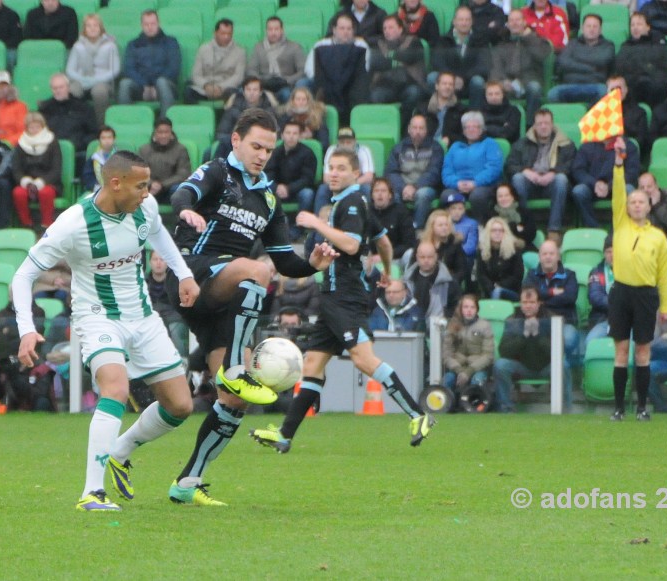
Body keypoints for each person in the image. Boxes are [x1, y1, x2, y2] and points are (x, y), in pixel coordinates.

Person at [165, 108, 338, 503]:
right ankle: (237, 369)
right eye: (256, 146)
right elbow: (182, 193)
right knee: (255, 271)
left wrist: (311, 264)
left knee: (234, 400)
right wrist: (186, 210)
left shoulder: (268, 200)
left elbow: (285, 262)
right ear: (236, 142)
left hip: (225, 298)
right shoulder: (216, 172)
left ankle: (187, 483)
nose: (262, 154)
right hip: (191, 274)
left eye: (269, 149)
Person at [13, 150, 201, 511]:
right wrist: (26, 328)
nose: (147, 193)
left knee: (180, 405)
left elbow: (159, 237)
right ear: (116, 183)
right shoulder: (74, 223)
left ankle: (119, 450)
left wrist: (185, 275)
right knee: (116, 387)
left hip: (143, 318)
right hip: (98, 317)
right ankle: (92, 492)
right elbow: (24, 274)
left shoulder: (143, 208)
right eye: (141, 185)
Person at [250, 148, 434, 453]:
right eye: (330, 167)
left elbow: (350, 244)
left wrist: (316, 223)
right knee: (312, 363)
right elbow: (383, 241)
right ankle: (284, 435)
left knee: (364, 359)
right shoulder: (356, 203)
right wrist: (387, 271)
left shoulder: (350, 202)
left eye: (340, 168)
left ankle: (418, 413)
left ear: (355, 173)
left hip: (345, 295)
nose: (333, 173)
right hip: (333, 296)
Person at [607, 137, 667, 421]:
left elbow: (663, 275)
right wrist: (619, 165)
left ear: (648, 206)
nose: (634, 205)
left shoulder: (659, 238)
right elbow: (618, 192)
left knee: (642, 351)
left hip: (646, 295)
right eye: (631, 202)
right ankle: (619, 408)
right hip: (621, 293)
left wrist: (665, 307)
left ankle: (642, 407)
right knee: (621, 351)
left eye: (640, 202)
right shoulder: (620, 223)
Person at [505, 108, 575, 243]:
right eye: (539, 124)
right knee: (518, 178)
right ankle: (522, 224)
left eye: (547, 123)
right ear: (534, 126)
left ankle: (554, 230)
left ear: (552, 124)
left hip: (552, 183)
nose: (543, 126)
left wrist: (553, 173)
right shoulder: (521, 143)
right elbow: (510, 165)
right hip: (530, 182)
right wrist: (526, 171)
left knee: (561, 179)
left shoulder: (566, 143)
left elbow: (570, 165)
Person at [492, 286, 561, 412]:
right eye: (525, 302)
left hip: (546, 366)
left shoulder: (551, 319)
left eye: (532, 302)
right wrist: (523, 336)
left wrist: (537, 336)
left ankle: (565, 408)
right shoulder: (512, 320)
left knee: (564, 365)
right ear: (520, 303)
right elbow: (504, 351)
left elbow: (557, 352)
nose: (528, 306)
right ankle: (506, 408)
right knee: (500, 365)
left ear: (539, 303)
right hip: (521, 366)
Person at [305, 13, 370, 126]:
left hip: (351, 86)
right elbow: (310, 69)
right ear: (334, 30)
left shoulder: (361, 45)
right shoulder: (321, 45)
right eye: (342, 28)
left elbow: (365, 69)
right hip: (326, 84)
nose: (346, 32)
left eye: (349, 29)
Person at [440, 111, 503, 224]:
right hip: (458, 185)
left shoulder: (490, 144)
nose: (471, 130)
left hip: (483, 185)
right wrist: (457, 183)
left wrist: (475, 183)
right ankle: (452, 228)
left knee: (477, 196)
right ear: (463, 130)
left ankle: (480, 225)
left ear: (482, 129)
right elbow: (447, 170)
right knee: (446, 195)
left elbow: (494, 168)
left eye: (475, 127)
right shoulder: (455, 146)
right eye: (467, 127)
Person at [491, 9, 552, 124]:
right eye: (511, 21)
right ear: (507, 25)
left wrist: (528, 38)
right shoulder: (501, 44)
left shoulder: (535, 40)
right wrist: (503, 82)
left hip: (528, 83)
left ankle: (531, 127)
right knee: (492, 90)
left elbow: (542, 55)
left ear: (524, 22)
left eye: (518, 20)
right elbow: (496, 68)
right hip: (506, 85)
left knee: (534, 87)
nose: (515, 23)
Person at [523, 240, 579, 360]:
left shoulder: (569, 275)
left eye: (551, 254)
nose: (548, 257)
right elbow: (527, 296)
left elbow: (569, 298)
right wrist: (552, 292)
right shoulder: (531, 275)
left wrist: (541, 301)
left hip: (565, 322)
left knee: (568, 340)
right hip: (538, 322)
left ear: (558, 256)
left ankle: (559, 369)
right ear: (539, 256)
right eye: (544, 254)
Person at [385, 114, 443, 229]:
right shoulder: (398, 148)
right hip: (402, 187)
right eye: (415, 128)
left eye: (421, 128)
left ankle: (417, 228)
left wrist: (415, 187)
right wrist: (403, 188)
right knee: (392, 195)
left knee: (423, 195)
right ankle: (399, 228)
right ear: (409, 129)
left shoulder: (435, 148)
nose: (417, 131)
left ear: (426, 130)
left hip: (424, 187)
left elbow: (433, 172)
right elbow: (391, 172)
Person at [118, 10, 180, 115]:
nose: (150, 27)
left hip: (165, 86)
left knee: (162, 83)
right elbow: (129, 69)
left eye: (153, 24)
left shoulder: (171, 42)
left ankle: (164, 126)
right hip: (141, 87)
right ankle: (126, 122)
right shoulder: (133, 44)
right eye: (146, 24)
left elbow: (173, 68)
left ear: (158, 23)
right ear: (142, 25)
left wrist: (156, 85)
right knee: (124, 84)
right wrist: (145, 85)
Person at [369, 15, 426, 129]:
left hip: (409, 84)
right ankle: (385, 128)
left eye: (390, 27)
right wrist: (397, 61)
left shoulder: (414, 42)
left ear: (400, 29)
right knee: (375, 96)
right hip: (386, 85)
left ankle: (403, 129)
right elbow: (376, 62)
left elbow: (410, 56)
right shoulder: (378, 44)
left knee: (414, 93)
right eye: (385, 28)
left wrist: (389, 56)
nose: (387, 31)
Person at [570, 135, 640, 228]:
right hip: (593, 187)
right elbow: (578, 170)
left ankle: (620, 228)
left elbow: (632, 173)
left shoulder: (627, 145)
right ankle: (594, 228)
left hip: (617, 186)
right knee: (579, 191)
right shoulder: (587, 145)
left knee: (629, 190)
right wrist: (595, 183)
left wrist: (610, 186)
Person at [430, 7, 491, 110]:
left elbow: (483, 65)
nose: (464, 23)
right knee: (432, 77)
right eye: (461, 20)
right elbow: (437, 62)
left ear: (472, 22)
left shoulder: (480, 40)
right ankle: (438, 113)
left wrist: (464, 78)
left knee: (478, 81)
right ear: (454, 21)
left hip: (469, 83)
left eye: (467, 20)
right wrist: (452, 78)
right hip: (448, 82)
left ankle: (474, 117)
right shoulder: (444, 40)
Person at [263, 119, 317, 236]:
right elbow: (268, 173)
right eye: (288, 133)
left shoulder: (308, 153)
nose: (291, 137)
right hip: (277, 189)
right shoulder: (275, 152)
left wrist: (289, 188)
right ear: (282, 135)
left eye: (295, 133)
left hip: (298, 190)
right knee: (264, 190)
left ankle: (298, 230)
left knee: (307, 194)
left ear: (300, 135)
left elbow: (308, 179)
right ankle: (273, 229)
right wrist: (276, 187)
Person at [65, 13, 120, 126]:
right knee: (73, 90)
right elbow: (70, 70)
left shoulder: (110, 45)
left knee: (99, 91)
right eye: (89, 26)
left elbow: (115, 69)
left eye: (95, 25)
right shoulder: (77, 46)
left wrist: (96, 80)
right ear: (84, 29)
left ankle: (101, 126)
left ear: (101, 27)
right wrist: (82, 79)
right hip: (81, 80)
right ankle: (76, 124)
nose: (92, 28)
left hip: (103, 81)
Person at [547, 13, 614, 105]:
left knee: (604, 92)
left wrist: (575, 61)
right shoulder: (572, 43)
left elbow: (602, 60)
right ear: (582, 28)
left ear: (600, 30)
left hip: (595, 85)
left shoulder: (608, 45)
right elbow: (563, 62)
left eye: (595, 26)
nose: (591, 29)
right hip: (570, 85)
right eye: (588, 26)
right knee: (552, 94)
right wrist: (591, 68)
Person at [11, 112, 62, 230]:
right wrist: (25, 181)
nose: (34, 130)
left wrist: (43, 181)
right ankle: (26, 224)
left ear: (43, 127)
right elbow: (16, 169)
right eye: (31, 127)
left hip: (49, 181)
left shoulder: (53, 142)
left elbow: (56, 169)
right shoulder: (20, 144)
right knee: (18, 193)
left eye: (37, 127)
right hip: (26, 182)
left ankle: (46, 225)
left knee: (46, 192)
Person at [442, 294, 494, 401]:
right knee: (447, 380)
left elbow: (488, 356)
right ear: (461, 309)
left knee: (477, 380)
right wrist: (459, 370)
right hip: (457, 367)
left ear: (477, 309)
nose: (469, 310)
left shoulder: (485, 326)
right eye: (466, 307)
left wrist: (469, 371)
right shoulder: (452, 325)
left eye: (472, 307)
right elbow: (446, 354)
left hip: (477, 367)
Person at [38, 73, 97, 162]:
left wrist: (79, 144)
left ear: (68, 87)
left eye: (61, 87)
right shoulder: (44, 108)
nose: (58, 90)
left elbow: (93, 132)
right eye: (55, 88)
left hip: (77, 153)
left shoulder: (83, 107)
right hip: (50, 153)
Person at [615, 12, 667, 107]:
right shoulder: (626, 45)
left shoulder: (658, 40)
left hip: (654, 82)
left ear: (648, 27)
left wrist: (636, 61)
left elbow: (657, 61)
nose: (635, 27)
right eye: (632, 25)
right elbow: (621, 66)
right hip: (632, 83)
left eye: (639, 24)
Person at [246, 16, 305, 103]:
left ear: (282, 30)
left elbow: (302, 71)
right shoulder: (258, 47)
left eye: (276, 29)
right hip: (263, 85)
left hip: (285, 85)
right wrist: (260, 81)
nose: (273, 33)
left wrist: (287, 80)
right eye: (270, 29)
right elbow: (251, 70)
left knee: (287, 94)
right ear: (266, 31)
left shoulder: (294, 47)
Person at [314, 127, 374, 212]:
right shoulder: (331, 150)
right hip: (336, 184)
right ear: (338, 142)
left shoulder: (363, 150)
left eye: (348, 142)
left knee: (366, 188)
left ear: (355, 141)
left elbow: (368, 177)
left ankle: (368, 218)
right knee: (323, 189)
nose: (345, 145)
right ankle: (319, 220)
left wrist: (349, 184)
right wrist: (339, 184)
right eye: (342, 142)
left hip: (356, 183)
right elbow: (326, 178)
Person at [186, 18, 245, 104]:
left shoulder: (240, 52)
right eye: (223, 33)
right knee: (188, 92)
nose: (226, 37)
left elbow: (238, 76)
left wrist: (221, 87)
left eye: (229, 34)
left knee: (235, 94)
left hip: (226, 88)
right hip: (205, 88)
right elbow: (196, 74)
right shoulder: (203, 49)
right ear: (215, 33)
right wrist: (206, 85)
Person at [215, 76, 278, 150]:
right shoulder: (232, 110)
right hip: (235, 146)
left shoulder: (269, 112)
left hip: (261, 147)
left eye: (255, 90)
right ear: (243, 92)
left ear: (261, 92)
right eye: (248, 89)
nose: (251, 93)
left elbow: (276, 133)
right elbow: (222, 133)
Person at [404, 240, 461, 322]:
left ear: (436, 256)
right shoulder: (407, 280)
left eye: (430, 257)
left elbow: (455, 306)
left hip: (439, 326)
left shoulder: (449, 282)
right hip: (412, 325)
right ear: (417, 257)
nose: (426, 260)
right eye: (422, 257)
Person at [138, 117, 191, 203]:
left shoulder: (181, 149)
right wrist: (151, 183)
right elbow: (140, 172)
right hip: (149, 189)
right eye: (160, 132)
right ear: (155, 133)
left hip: (170, 189)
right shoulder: (144, 150)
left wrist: (162, 185)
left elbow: (183, 174)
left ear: (171, 132)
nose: (163, 135)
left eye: (166, 132)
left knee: (180, 189)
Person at [146, 250, 189, 358]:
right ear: (150, 262)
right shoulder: (143, 282)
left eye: (162, 259)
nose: (158, 263)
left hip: (173, 316)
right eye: (155, 259)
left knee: (176, 330)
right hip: (151, 317)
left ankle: (182, 360)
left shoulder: (176, 281)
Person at [368, 178, 416, 265]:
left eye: (383, 191)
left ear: (390, 195)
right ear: (372, 195)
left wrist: (384, 256)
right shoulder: (365, 212)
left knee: (410, 253)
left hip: (396, 258)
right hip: (371, 260)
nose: (380, 194)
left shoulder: (401, 211)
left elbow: (409, 243)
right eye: (376, 191)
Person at [415, 210, 469, 287]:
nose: (444, 228)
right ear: (432, 226)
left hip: (447, 283)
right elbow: (414, 266)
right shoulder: (421, 243)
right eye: (440, 225)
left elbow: (461, 270)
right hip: (423, 282)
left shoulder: (455, 243)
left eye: (446, 225)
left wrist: (450, 282)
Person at [476, 216, 524, 301]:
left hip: (511, 291)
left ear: (505, 232)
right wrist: (491, 286)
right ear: (488, 233)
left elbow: (517, 275)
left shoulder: (514, 250)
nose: (497, 233)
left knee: (498, 292)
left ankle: (494, 312)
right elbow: (481, 274)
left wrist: (500, 285)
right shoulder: (482, 250)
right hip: (489, 290)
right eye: (494, 230)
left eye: (501, 230)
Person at [416, 71, 467, 147]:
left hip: (451, 148)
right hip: (426, 147)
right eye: (444, 84)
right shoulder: (423, 108)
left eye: (451, 84)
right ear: (436, 86)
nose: (447, 87)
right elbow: (414, 132)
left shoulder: (461, 109)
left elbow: (465, 136)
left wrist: (450, 139)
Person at [606, 75, 650, 156]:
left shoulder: (639, 113)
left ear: (626, 90)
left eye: (619, 88)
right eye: (612, 89)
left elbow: (642, 141)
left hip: (629, 155)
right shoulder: (600, 113)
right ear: (607, 92)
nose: (616, 92)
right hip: (605, 155)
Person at [487, 183, 538, 251]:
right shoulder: (490, 214)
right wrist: (515, 228)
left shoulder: (524, 212)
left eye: (507, 195)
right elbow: (489, 235)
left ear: (513, 196)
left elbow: (530, 234)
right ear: (496, 198)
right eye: (500, 196)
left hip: (523, 246)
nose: (503, 199)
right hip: (499, 248)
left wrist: (505, 229)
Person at [585, 234, 614, 344]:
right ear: (604, 254)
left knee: (633, 345)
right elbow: (595, 297)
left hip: (627, 320)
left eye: (615, 251)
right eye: (608, 252)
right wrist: (619, 304)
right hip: (603, 319)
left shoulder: (630, 271)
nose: (612, 255)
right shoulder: (596, 272)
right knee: (590, 342)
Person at [638, 172, 667, 248]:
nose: (645, 190)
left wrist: (657, 206)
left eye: (649, 186)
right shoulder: (634, 204)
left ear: (656, 186)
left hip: (663, 245)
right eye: (642, 187)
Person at [443, 192, 479, 275]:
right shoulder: (443, 222)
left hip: (463, 257)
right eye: (453, 208)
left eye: (460, 208)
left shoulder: (471, 223)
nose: (457, 212)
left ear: (464, 210)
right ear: (447, 210)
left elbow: (471, 246)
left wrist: (454, 255)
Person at [82, 125, 116, 192]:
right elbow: (87, 176)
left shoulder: (120, 158)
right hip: (97, 190)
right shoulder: (94, 158)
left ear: (114, 139)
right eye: (103, 138)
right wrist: (95, 186)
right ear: (99, 140)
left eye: (109, 137)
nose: (107, 141)